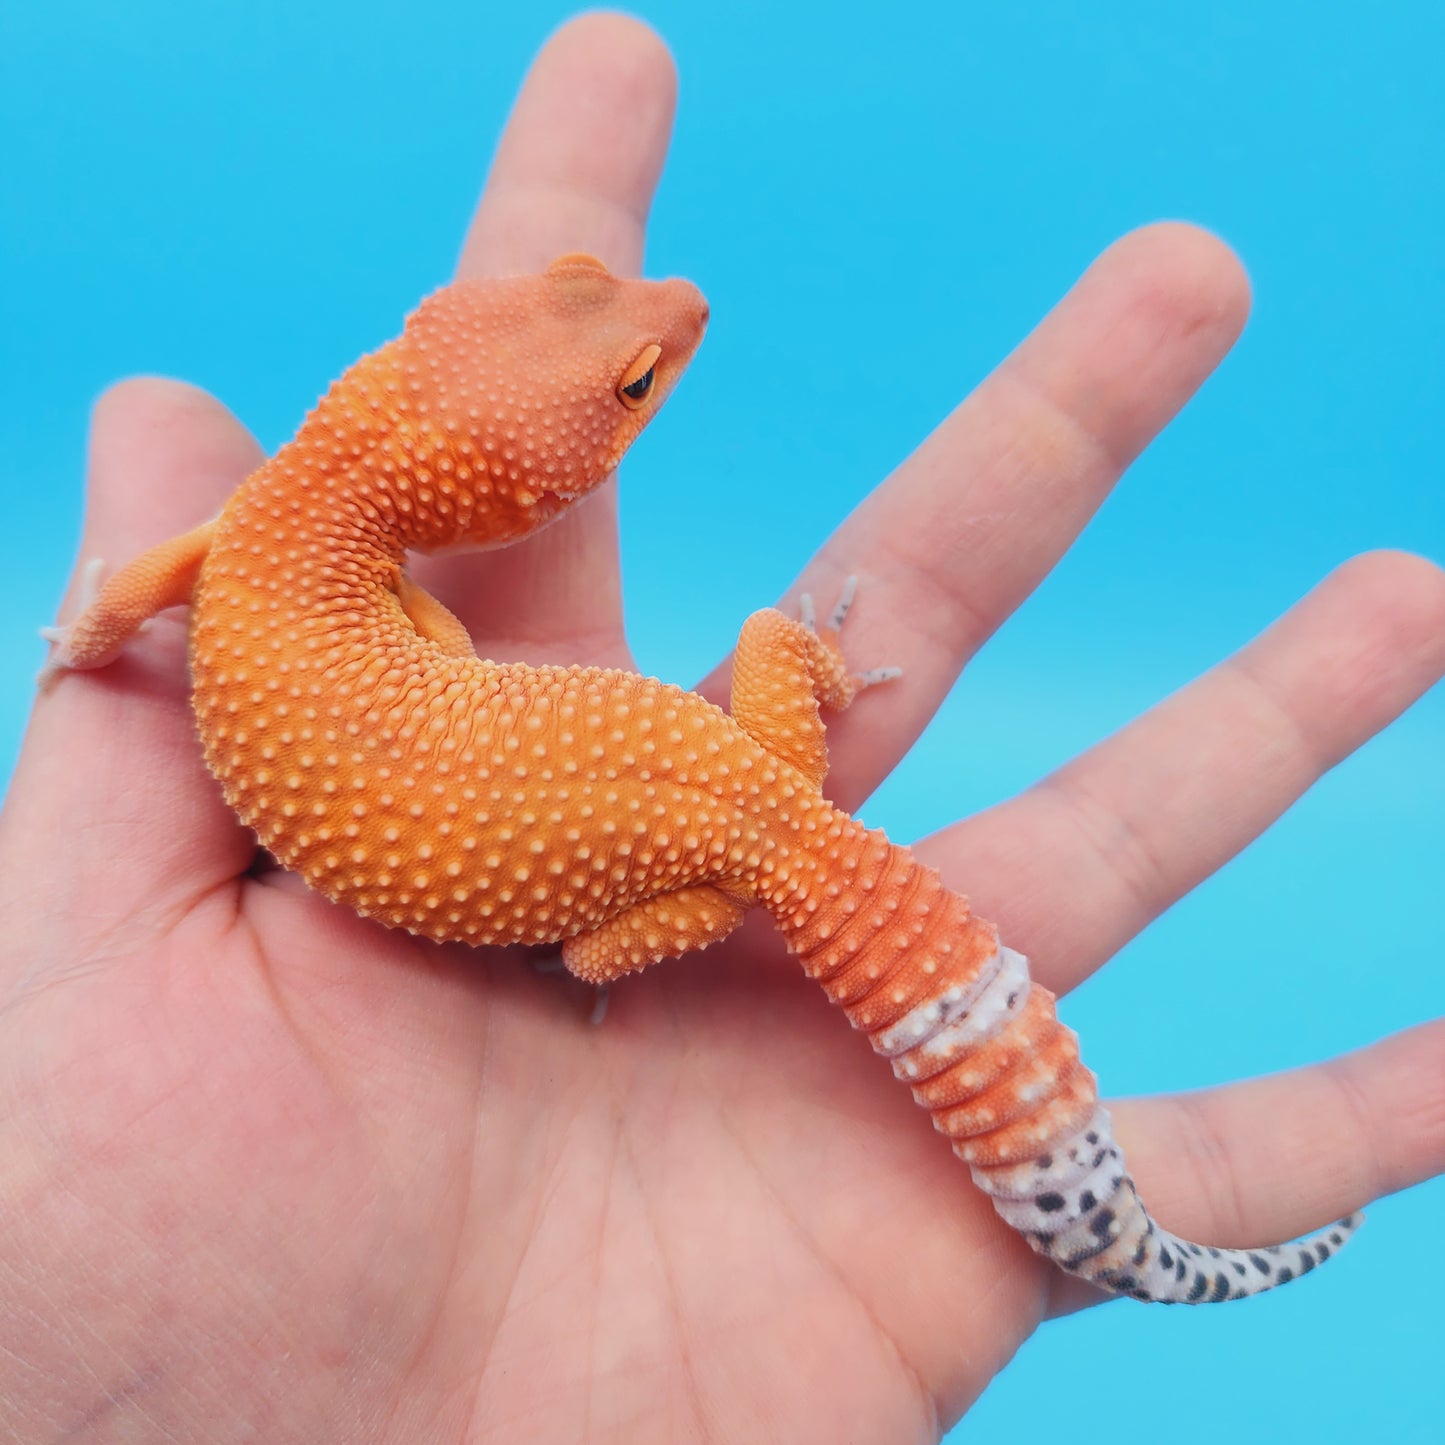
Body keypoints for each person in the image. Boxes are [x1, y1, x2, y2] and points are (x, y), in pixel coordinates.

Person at [3, 13, 1442, 1441]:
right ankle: (1117, 1222)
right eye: (634, 385)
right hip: (729, 794)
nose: (672, 308)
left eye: (602, 307)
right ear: (499, 501)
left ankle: (1119, 1225)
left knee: (592, 927)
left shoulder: (245, 540)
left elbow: (134, 595)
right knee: (757, 662)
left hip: (683, 845)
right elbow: (509, 783)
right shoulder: (374, 592)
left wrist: (82, 649)